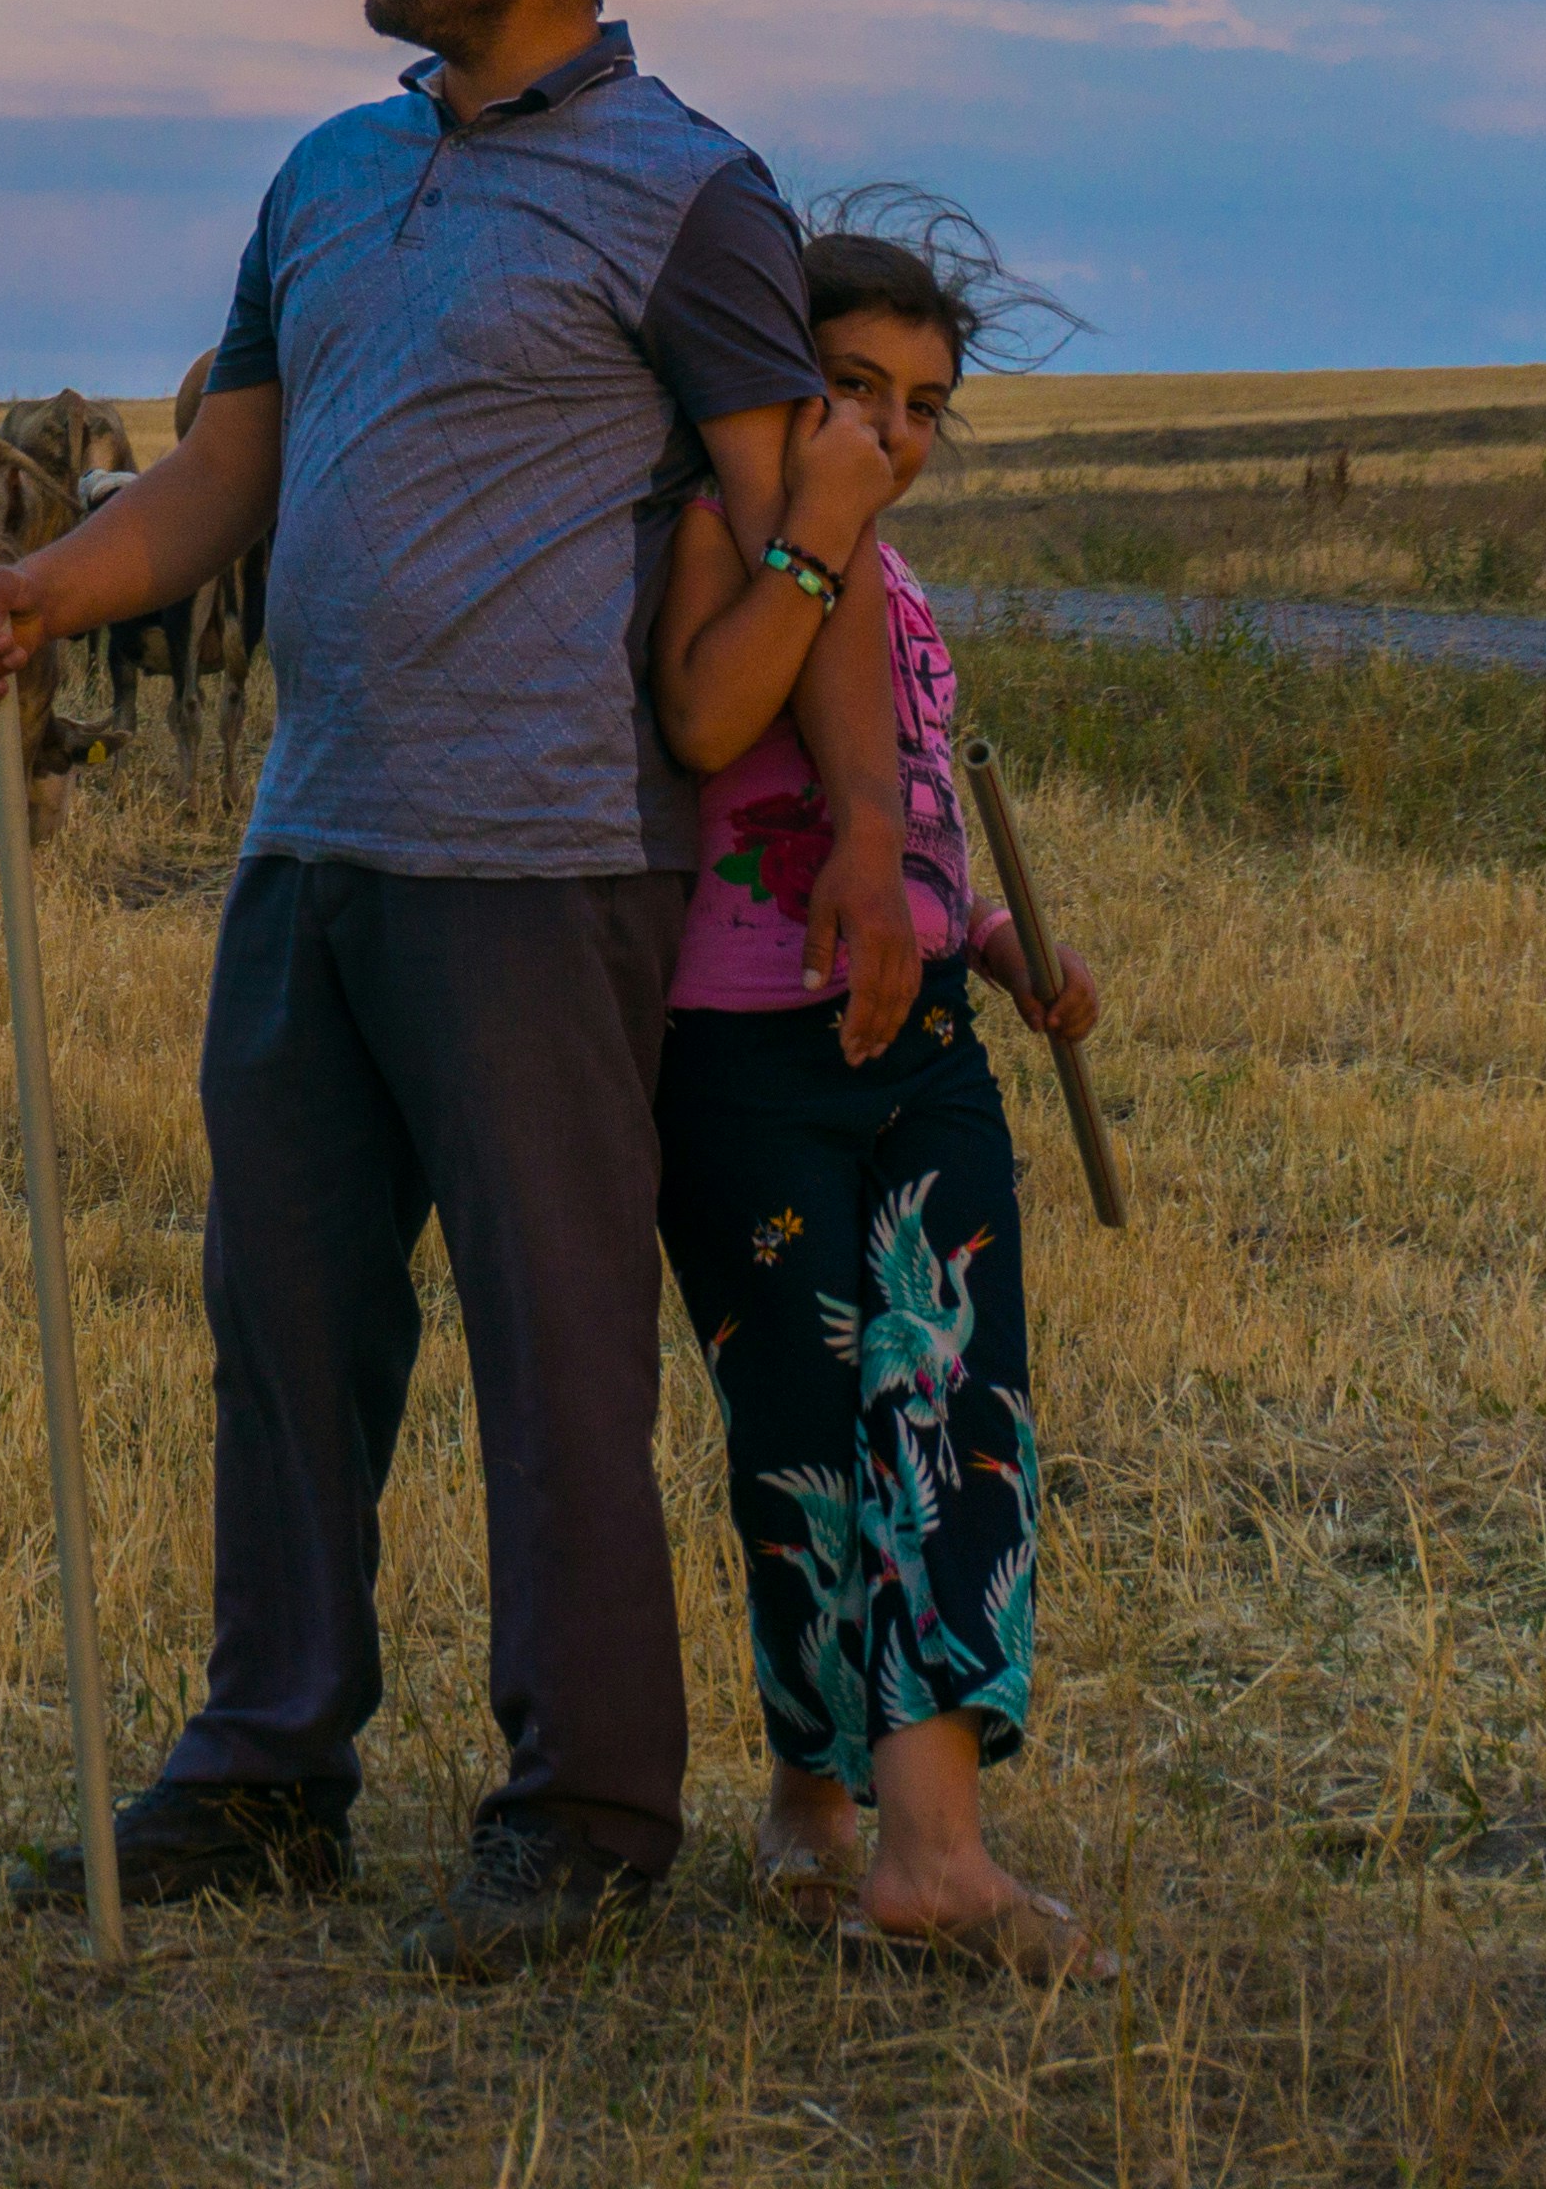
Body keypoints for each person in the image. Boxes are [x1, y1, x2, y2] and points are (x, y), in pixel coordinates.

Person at [0, 0, 919, 1974]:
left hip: (549, 858)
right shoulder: (316, 180)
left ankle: (582, 1808)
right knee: (279, 1319)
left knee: (555, 1337)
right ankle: (265, 1763)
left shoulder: (690, 194)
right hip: (312, 841)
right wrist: (37, 594)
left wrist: (865, 827)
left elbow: (793, 543)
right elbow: (223, 474)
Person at [646, 194, 1112, 1980]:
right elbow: (704, 728)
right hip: (748, 1064)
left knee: (955, 1417)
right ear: (780, 390)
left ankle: (933, 1847)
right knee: (803, 1449)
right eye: (850, 391)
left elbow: (910, 810)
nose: (889, 437)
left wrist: (993, 934)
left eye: (920, 406)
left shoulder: (902, 590)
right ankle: (811, 1797)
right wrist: (812, 539)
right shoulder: (726, 535)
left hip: (923, 1057)